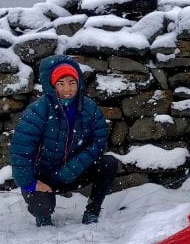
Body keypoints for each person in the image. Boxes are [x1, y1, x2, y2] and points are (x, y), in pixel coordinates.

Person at [10, 54, 118, 226]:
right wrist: (30, 184)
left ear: (78, 84)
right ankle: (43, 216)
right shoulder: (37, 112)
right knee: (41, 205)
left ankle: (92, 211)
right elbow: (20, 152)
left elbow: (98, 143)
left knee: (108, 163)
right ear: (52, 85)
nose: (67, 89)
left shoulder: (89, 108)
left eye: (72, 83)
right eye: (61, 84)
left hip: (74, 172)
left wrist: (68, 170)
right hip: (45, 177)